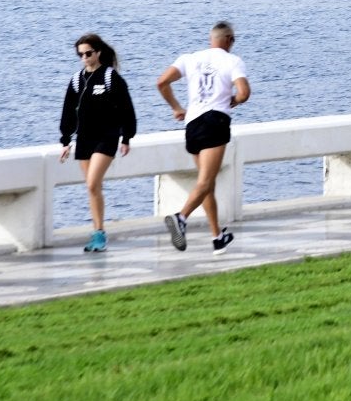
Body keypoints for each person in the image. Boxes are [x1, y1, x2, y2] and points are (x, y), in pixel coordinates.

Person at [156, 21, 251, 252]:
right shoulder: (233, 61)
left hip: (193, 123)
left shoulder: (190, 58)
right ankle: (180, 218)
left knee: (206, 183)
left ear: (211, 39)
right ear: (229, 40)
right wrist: (234, 101)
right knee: (206, 182)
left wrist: (176, 107)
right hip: (215, 122)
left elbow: (162, 82)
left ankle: (217, 237)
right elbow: (244, 92)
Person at [58, 33, 137, 253]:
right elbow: (68, 112)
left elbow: (126, 109)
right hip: (84, 138)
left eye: (88, 53)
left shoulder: (110, 77)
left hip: (106, 138)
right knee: (92, 188)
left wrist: (126, 137)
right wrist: (66, 140)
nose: (84, 58)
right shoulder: (77, 80)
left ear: (98, 52)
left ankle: (100, 234)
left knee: (93, 183)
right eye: (81, 55)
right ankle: (98, 232)